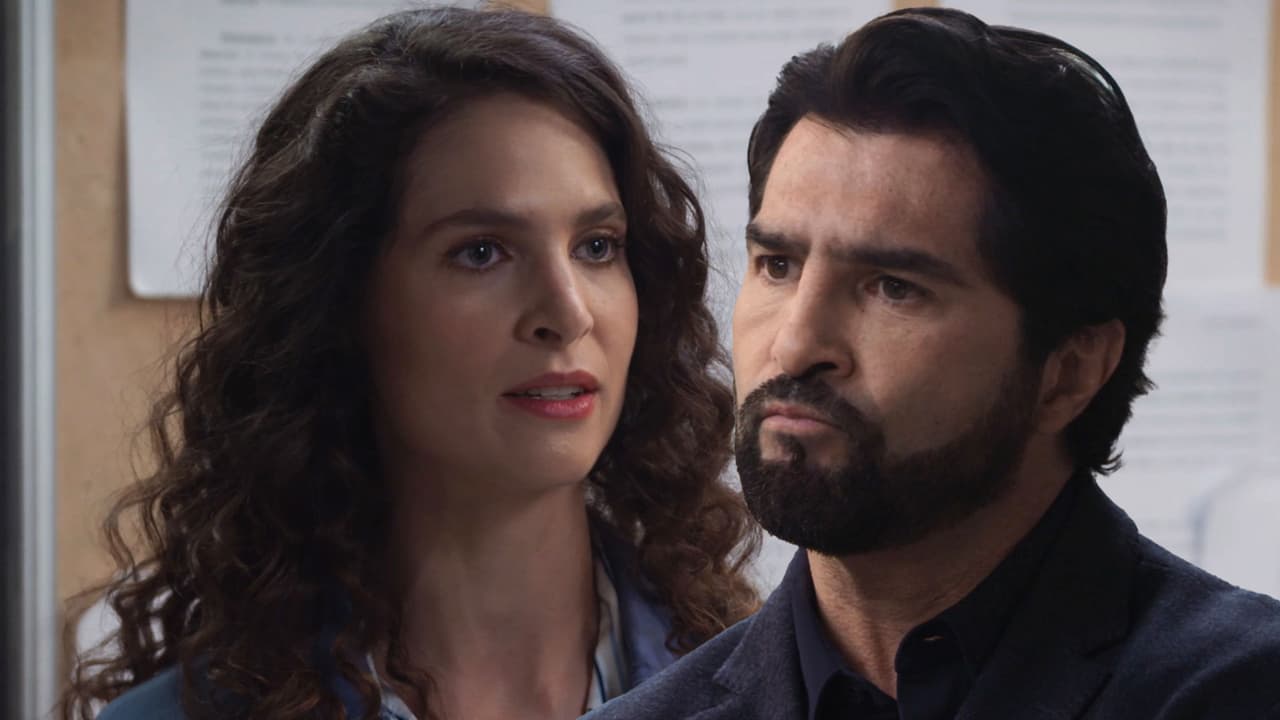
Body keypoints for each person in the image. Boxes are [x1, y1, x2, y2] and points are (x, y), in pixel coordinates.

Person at [61, 7, 760, 720]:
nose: (569, 310)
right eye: (481, 252)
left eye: (597, 247)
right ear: (340, 303)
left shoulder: (767, 692)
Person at [587, 7, 1280, 720]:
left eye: (893, 288)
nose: (794, 347)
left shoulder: (1243, 689)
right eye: (778, 265)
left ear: (1070, 371)